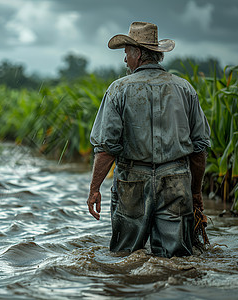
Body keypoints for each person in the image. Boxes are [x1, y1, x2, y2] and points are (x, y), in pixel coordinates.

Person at [87, 22, 211, 258]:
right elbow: (200, 148)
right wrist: (195, 193)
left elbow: (106, 149)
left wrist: (94, 189)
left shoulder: (118, 90)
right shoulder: (184, 88)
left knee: (125, 255)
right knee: (176, 259)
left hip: (132, 181)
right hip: (176, 181)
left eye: (126, 53)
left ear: (138, 54)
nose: (125, 60)